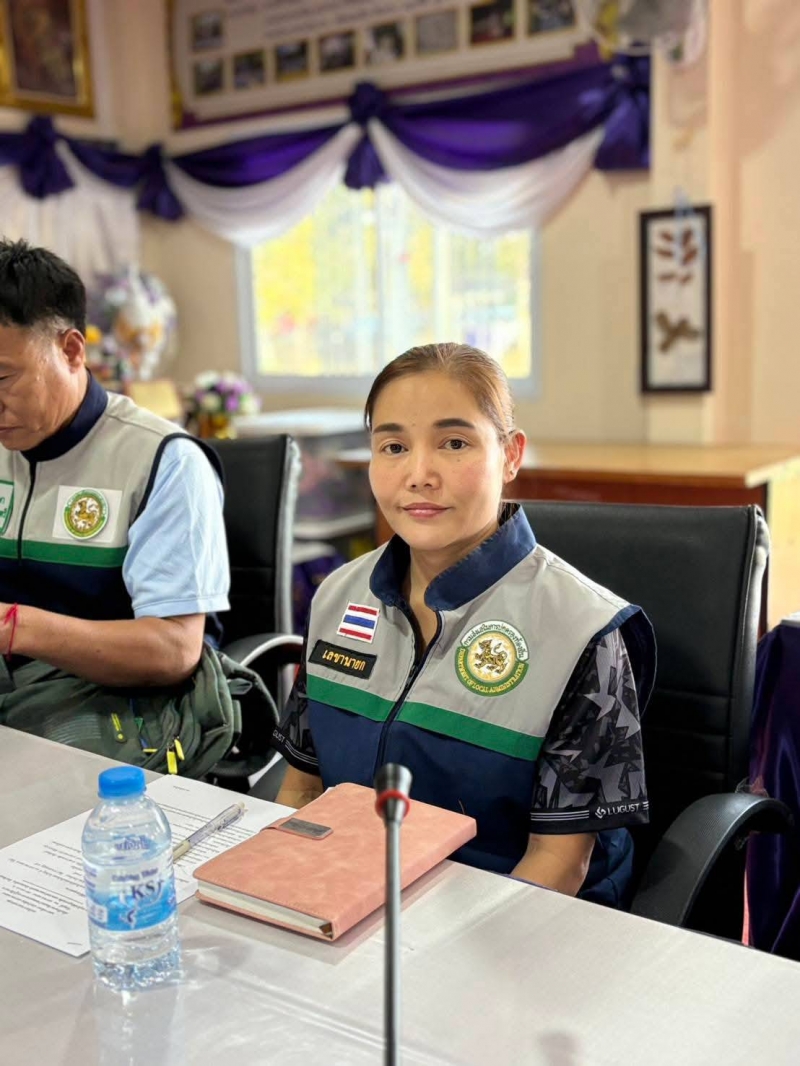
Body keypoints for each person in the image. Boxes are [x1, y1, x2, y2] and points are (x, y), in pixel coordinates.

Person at [273, 342, 656, 906]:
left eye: (454, 443)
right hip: (352, 899)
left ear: (511, 455)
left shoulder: (582, 630)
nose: (419, 475)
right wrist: (279, 896)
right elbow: (302, 787)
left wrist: (423, 950)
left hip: (513, 920)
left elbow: (558, 865)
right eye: (394, 446)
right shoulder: (337, 595)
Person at [0, 239, 230, 753]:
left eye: (3, 378)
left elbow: (174, 649)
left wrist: (16, 627)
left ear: (71, 350)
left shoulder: (162, 460)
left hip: (118, 706)